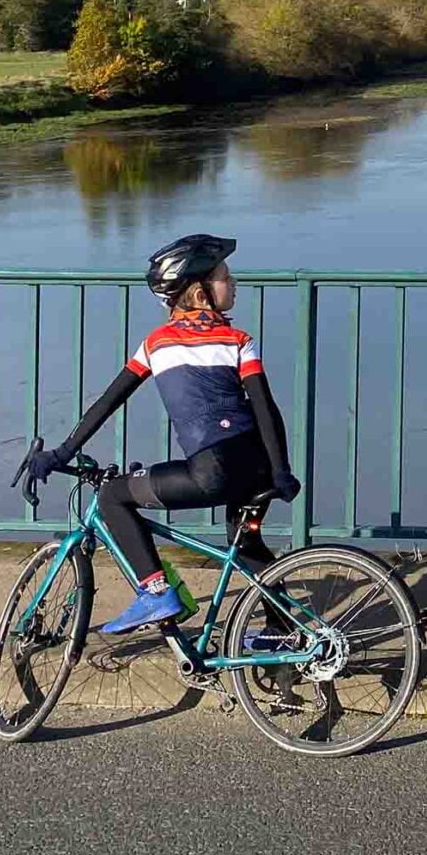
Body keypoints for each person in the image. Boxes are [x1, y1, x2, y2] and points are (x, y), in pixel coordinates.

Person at [27, 233, 300, 634]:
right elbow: (266, 409)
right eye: (226, 276)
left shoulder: (157, 345)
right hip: (255, 465)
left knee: (113, 495)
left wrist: (62, 452)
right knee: (247, 544)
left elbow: (107, 402)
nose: (234, 283)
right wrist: (281, 470)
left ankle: (156, 592)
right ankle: (284, 631)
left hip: (213, 471)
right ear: (201, 292)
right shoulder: (238, 341)